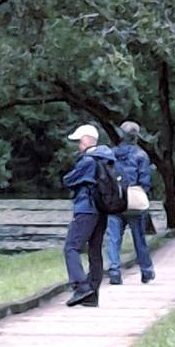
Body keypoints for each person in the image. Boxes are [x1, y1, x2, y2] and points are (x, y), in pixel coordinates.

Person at [61, 123, 115, 307]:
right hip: (102, 209)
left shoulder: (88, 161)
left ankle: (81, 287)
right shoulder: (108, 159)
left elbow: (68, 180)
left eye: (79, 141)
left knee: (71, 247)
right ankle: (93, 294)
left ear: (86, 140)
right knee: (95, 250)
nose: (78, 145)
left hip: (86, 208)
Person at [107, 119, 155, 285]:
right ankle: (146, 271)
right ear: (136, 136)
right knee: (139, 238)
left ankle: (114, 272)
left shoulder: (111, 154)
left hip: (115, 202)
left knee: (113, 239)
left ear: (121, 135)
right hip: (134, 201)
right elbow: (145, 182)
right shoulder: (141, 155)